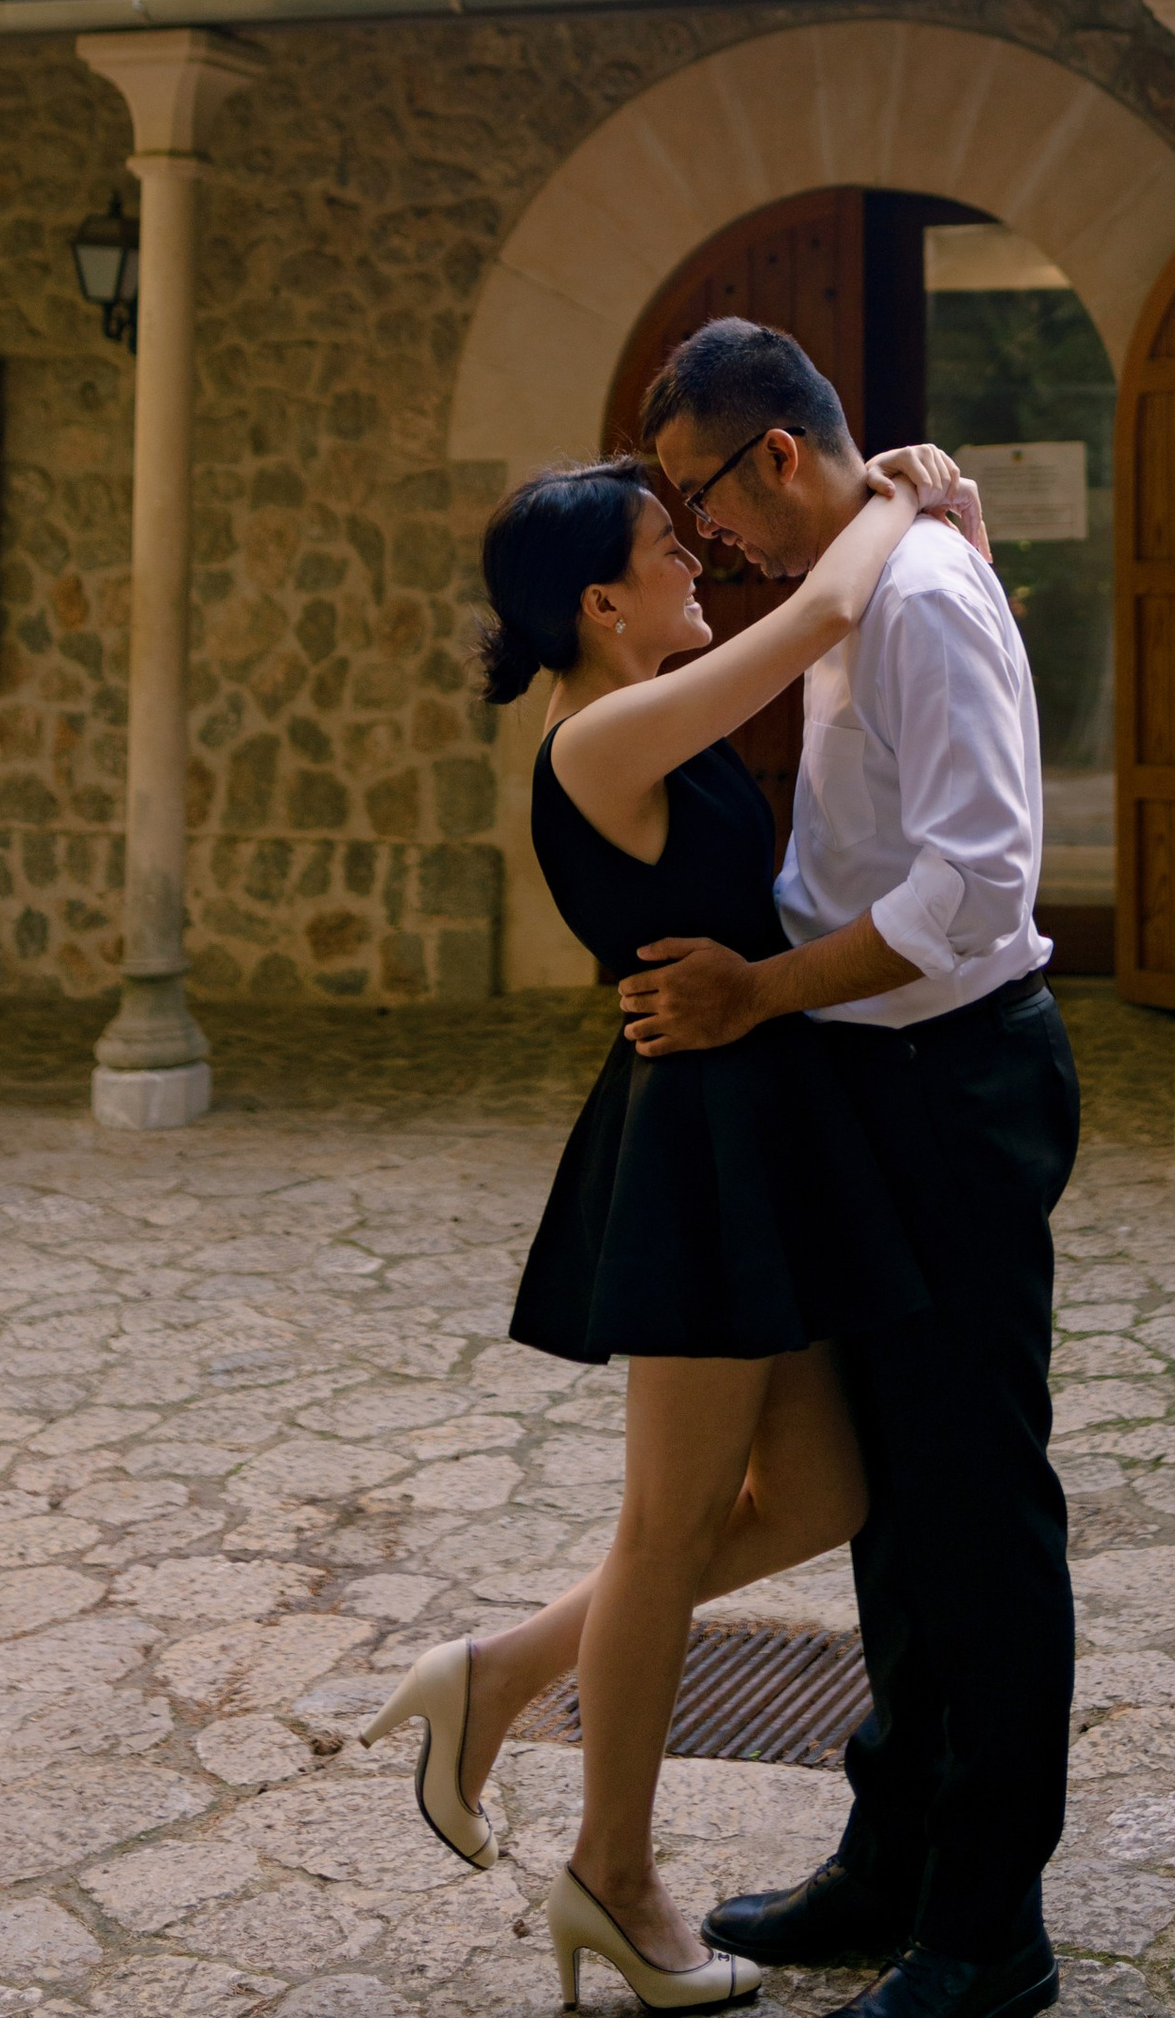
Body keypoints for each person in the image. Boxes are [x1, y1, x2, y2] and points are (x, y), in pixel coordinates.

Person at [364, 436, 966, 2015]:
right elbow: (824, 610)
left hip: (756, 1123)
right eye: (667, 547)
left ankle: (495, 1675)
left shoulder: (639, 714)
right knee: (665, 1524)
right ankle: (614, 1871)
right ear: (602, 604)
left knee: (821, 1486)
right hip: (699, 1145)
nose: (696, 559)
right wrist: (896, 493)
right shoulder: (602, 741)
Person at [624, 319, 1076, 2018]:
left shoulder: (921, 599)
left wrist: (759, 993)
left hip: (955, 1091)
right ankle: (891, 1859)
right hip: (873, 1088)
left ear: (780, 454)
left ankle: (989, 1925)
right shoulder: (863, 564)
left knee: (978, 1515)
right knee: (896, 1511)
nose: (700, 531)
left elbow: (972, 886)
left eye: (701, 491)